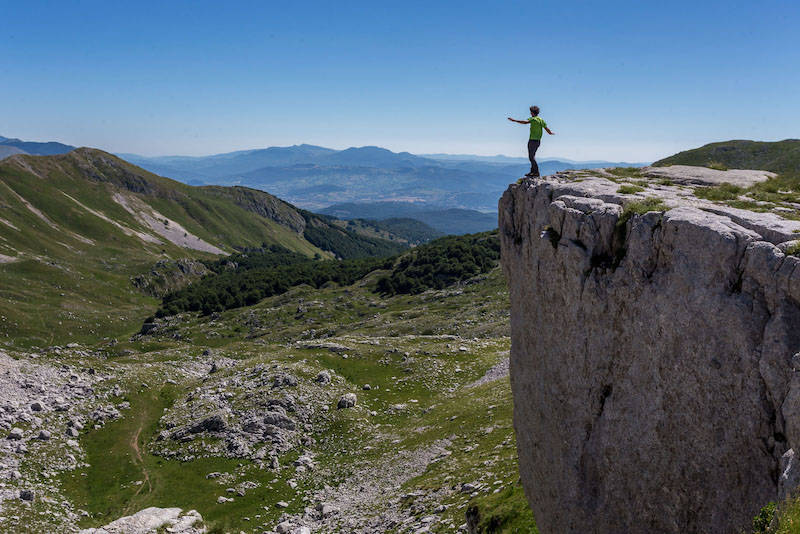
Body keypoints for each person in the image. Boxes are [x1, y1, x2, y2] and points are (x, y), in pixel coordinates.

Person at [508, 106, 554, 177]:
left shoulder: (533, 119)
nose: (530, 113)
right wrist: (550, 133)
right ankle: (532, 172)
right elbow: (546, 128)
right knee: (532, 156)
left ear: (532, 112)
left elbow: (525, 122)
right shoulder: (541, 120)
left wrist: (514, 120)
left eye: (530, 112)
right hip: (538, 141)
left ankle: (536, 172)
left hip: (532, 140)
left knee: (531, 157)